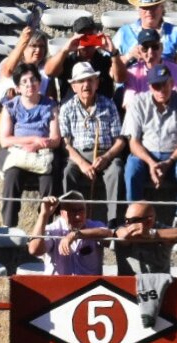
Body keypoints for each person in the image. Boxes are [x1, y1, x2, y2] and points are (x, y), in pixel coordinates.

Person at [123, 65, 177, 229]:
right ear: (149, 86)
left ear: (172, 83)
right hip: (146, 155)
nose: (161, 89)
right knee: (131, 166)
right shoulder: (138, 103)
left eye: (164, 84)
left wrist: (170, 161)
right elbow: (133, 143)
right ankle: (135, 214)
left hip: (175, 154)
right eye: (156, 86)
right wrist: (152, 164)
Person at [58, 63, 126, 225]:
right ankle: (70, 220)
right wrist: (82, 164)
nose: (86, 85)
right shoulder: (67, 108)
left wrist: (107, 157)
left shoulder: (108, 105)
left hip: (105, 154)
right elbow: (65, 143)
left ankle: (113, 221)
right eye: (81, 81)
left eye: (90, 80)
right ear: (74, 87)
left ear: (96, 83)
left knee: (116, 170)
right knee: (68, 172)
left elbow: (120, 140)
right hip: (78, 156)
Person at [0, 63, 60, 228]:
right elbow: (5, 140)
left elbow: (55, 138)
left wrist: (39, 146)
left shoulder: (50, 106)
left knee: (50, 180)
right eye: (24, 82)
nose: (29, 84)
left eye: (33, 80)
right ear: (17, 87)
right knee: (12, 176)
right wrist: (31, 140)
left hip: (42, 154)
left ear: (39, 83)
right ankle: (8, 227)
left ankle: (45, 226)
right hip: (17, 153)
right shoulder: (10, 106)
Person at [26, 191, 113, 275]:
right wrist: (44, 215)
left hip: (90, 287)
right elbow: (34, 250)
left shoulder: (94, 225)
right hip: (58, 286)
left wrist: (75, 234)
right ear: (62, 213)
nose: (78, 216)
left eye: (81, 210)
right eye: (73, 211)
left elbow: (108, 234)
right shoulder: (53, 229)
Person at [114, 28, 177, 113]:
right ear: (139, 50)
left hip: (172, 115)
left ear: (161, 48)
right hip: (143, 118)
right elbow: (129, 104)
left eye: (155, 47)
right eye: (145, 48)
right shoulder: (132, 72)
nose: (150, 52)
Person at [45, 15, 117, 101]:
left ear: (96, 36)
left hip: (102, 109)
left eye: (90, 37)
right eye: (82, 37)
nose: (86, 41)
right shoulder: (67, 61)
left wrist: (113, 52)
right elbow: (49, 72)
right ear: (75, 37)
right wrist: (65, 50)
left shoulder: (105, 61)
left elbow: (120, 78)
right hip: (71, 110)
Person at [113, 0, 177, 73]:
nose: (149, 11)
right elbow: (110, 68)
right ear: (138, 9)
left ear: (162, 7)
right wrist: (129, 56)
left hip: (165, 86)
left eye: (153, 7)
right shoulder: (124, 32)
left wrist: (159, 60)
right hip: (130, 85)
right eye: (145, 8)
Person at [114, 201, 177, 274]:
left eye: (132, 220)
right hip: (128, 283)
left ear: (149, 221)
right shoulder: (124, 228)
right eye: (126, 219)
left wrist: (152, 234)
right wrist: (131, 234)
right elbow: (120, 235)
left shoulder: (161, 228)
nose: (127, 223)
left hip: (160, 284)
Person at [0, 26, 53, 109]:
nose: (38, 50)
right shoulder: (10, 62)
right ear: (24, 49)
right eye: (33, 46)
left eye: (41, 46)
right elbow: (7, 71)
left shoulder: (44, 69)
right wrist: (24, 40)